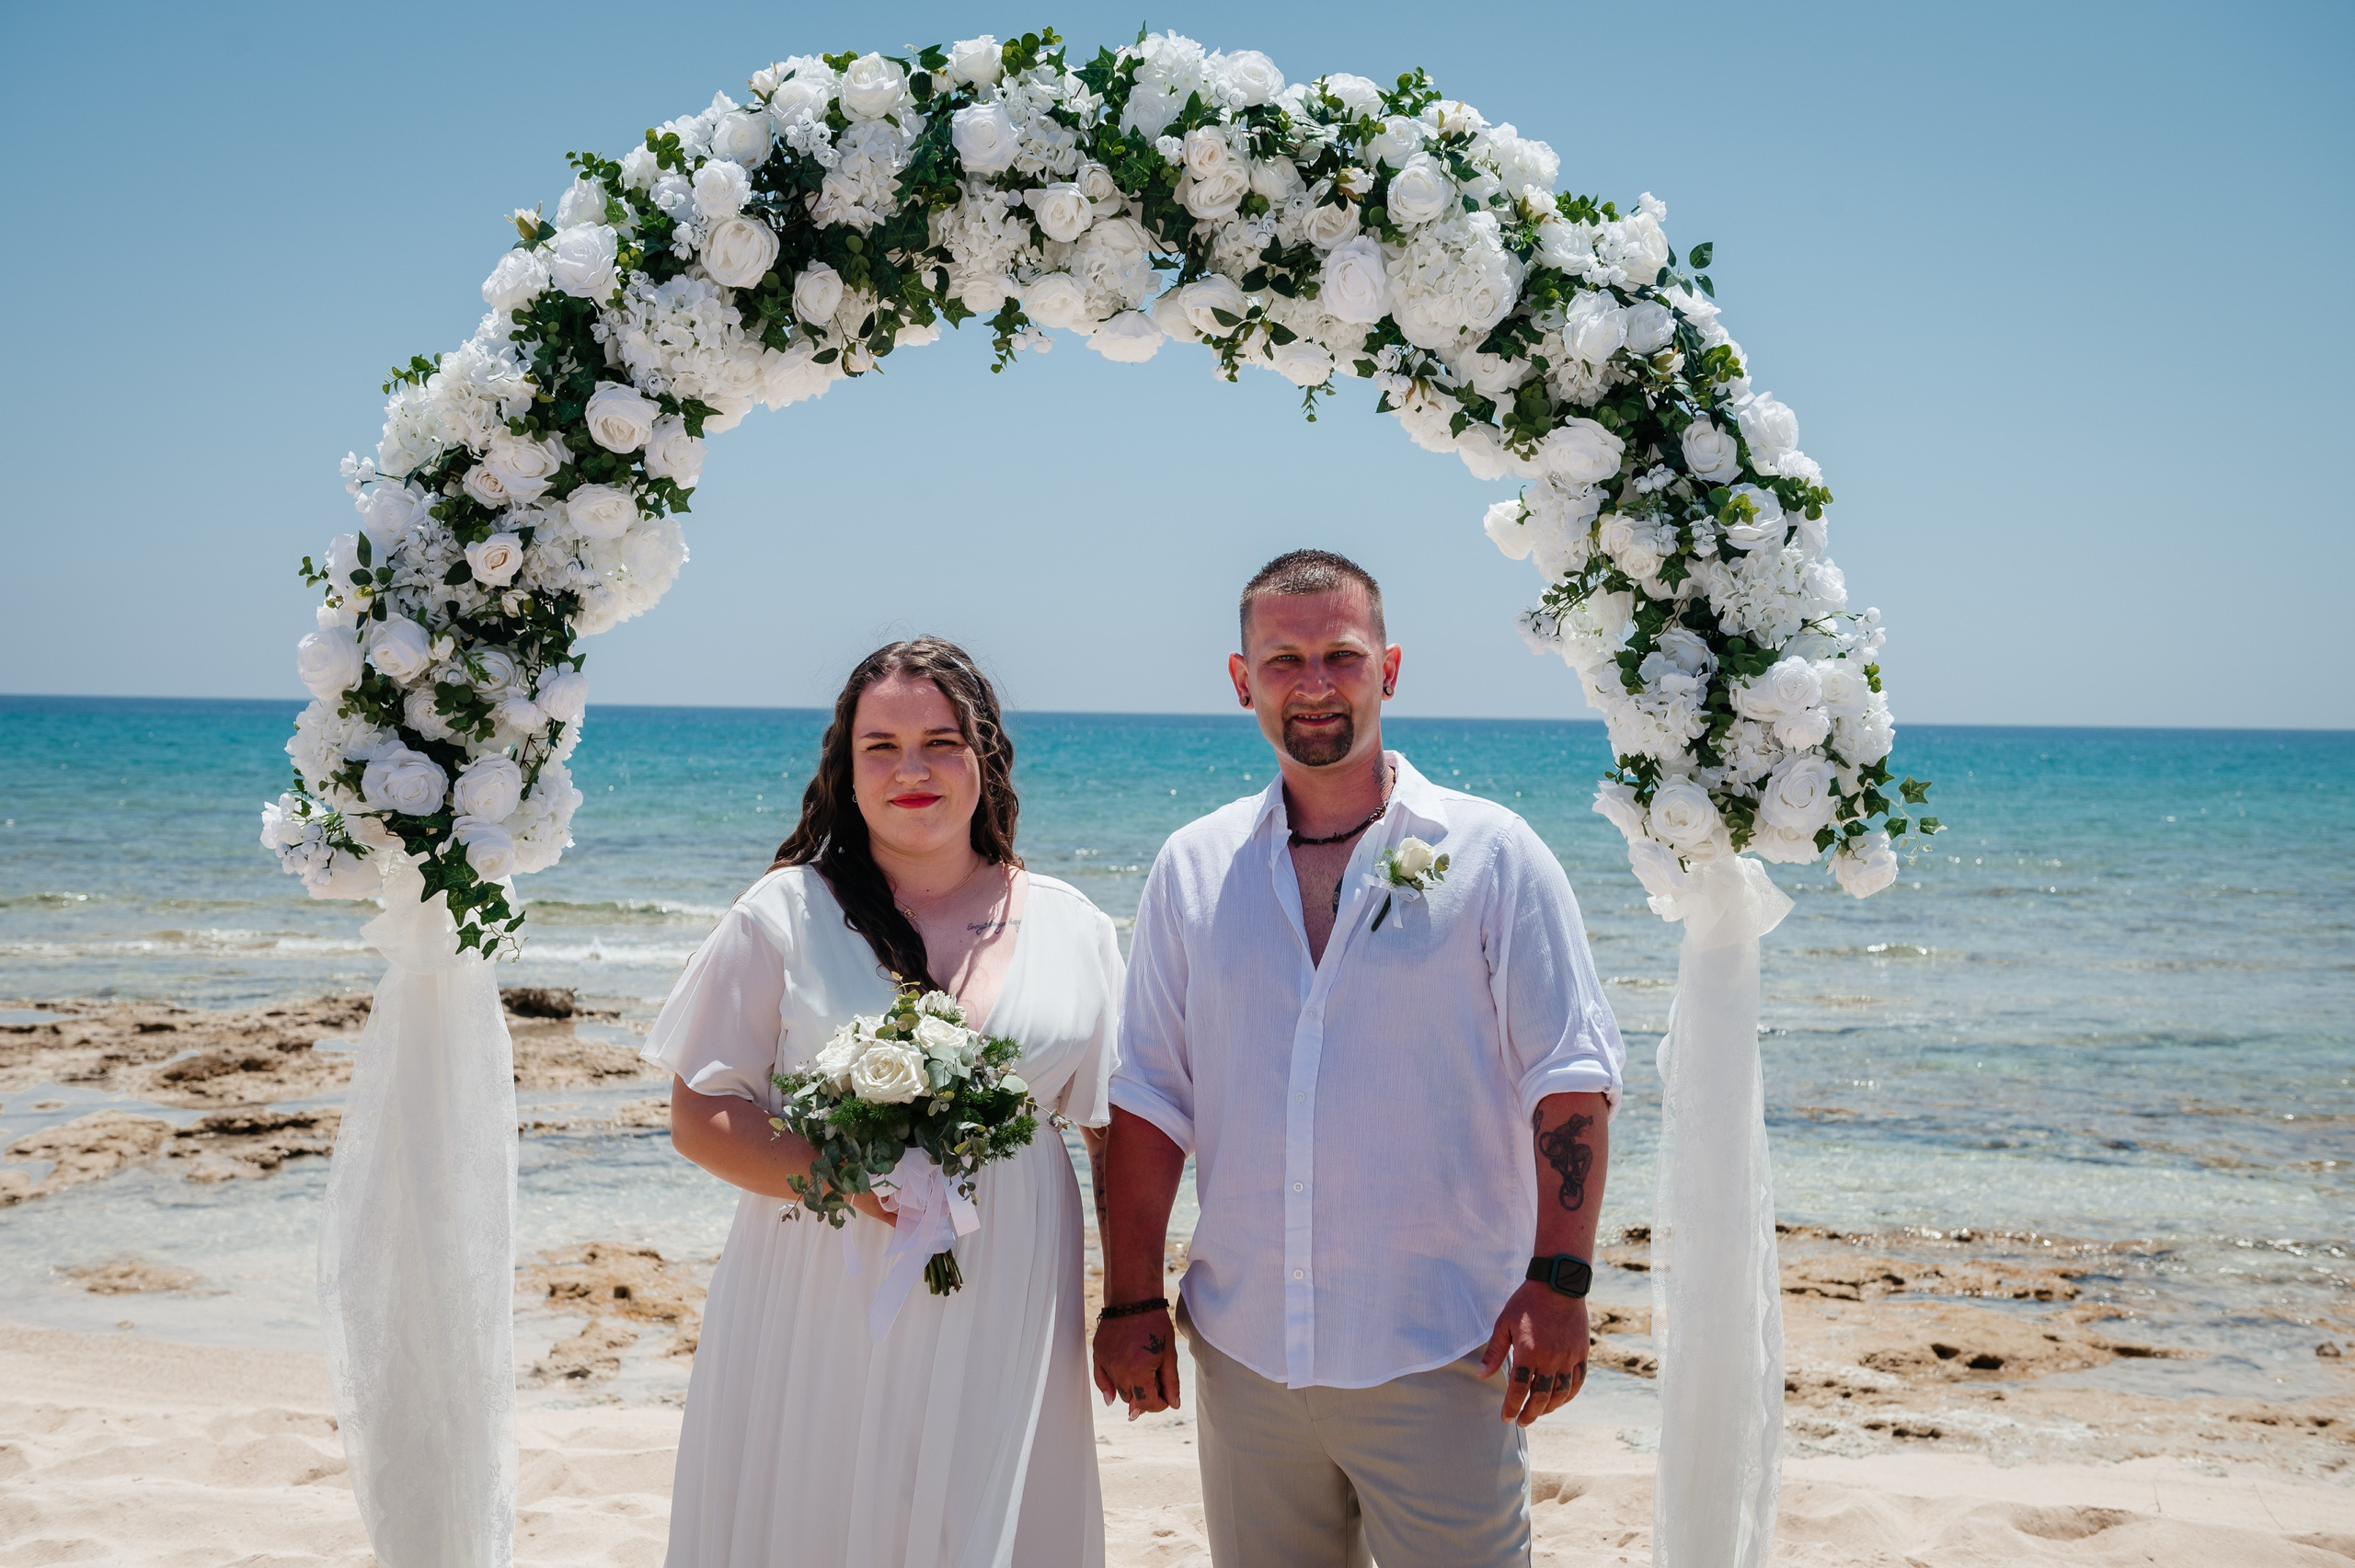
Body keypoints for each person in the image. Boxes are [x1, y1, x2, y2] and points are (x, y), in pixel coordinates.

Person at [1093, 551, 1626, 1568]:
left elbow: (1568, 1076)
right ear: (1242, 680)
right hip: (1245, 1354)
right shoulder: (1192, 867)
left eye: (1340, 655)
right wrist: (1128, 1297)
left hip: (1442, 1349)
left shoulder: (1493, 853)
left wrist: (1559, 1280)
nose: (1315, 683)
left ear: (1387, 668)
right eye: (1283, 659)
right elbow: (1151, 1097)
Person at [645, 637, 1120, 1568]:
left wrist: (1132, 1297)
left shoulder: (1072, 924)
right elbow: (701, 1116)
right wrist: (843, 1177)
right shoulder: (783, 913)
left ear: (985, 756)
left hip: (1011, 1271)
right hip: (822, 1274)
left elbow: (1112, 1126)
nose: (912, 770)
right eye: (882, 746)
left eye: (942, 741)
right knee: (820, 1496)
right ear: (845, 769)